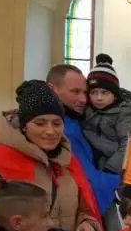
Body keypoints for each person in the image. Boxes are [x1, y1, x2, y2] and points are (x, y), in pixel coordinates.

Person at [0, 80, 103, 231]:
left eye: (57, 123)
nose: (50, 131)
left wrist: (87, 222)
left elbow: (84, 205)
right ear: (24, 126)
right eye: (40, 123)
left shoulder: (68, 160)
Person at [46, 64, 121, 215]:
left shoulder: (76, 119)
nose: (83, 99)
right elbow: (89, 180)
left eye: (85, 93)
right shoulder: (60, 129)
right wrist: (126, 178)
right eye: (75, 92)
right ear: (52, 89)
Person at [83, 54, 131, 174]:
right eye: (93, 92)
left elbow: (127, 144)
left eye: (105, 92)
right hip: (89, 161)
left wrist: (110, 170)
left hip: (114, 167)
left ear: (115, 94)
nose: (99, 98)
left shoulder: (123, 112)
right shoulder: (86, 108)